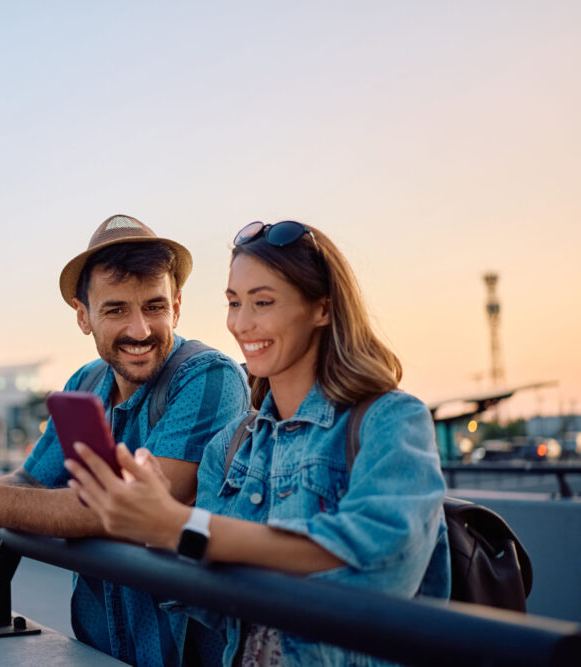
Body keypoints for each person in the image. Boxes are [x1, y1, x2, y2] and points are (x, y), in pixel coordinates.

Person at [67, 220, 450, 666]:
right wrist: (157, 528)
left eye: (262, 302)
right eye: (233, 303)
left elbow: (382, 563)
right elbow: (209, 603)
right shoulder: (229, 448)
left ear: (322, 308)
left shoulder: (390, 420)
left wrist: (182, 526)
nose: (242, 324)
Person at [0, 214, 249, 666]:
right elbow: (32, 481)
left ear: (178, 306)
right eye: (115, 309)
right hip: (96, 647)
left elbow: (134, 510)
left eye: (154, 306)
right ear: (83, 315)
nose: (140, 330)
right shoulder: (84, 383)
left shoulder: (209, 377)